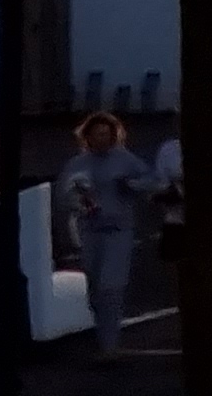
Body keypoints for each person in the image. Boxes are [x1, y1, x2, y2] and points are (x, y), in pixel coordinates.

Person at [57, 110, 151, 355]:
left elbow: (149, 180)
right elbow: (64, 196)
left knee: (111, 286)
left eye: (106, 134)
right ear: (87, 136)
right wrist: (78, 199)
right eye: (96, 134)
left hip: (118, 230)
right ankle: (103, 334)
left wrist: (130, 185)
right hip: (90, 230)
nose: (101, 139)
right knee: (95, 289)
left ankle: (109, 345)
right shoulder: (77, 164)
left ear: (113, 136)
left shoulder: (124, 159)